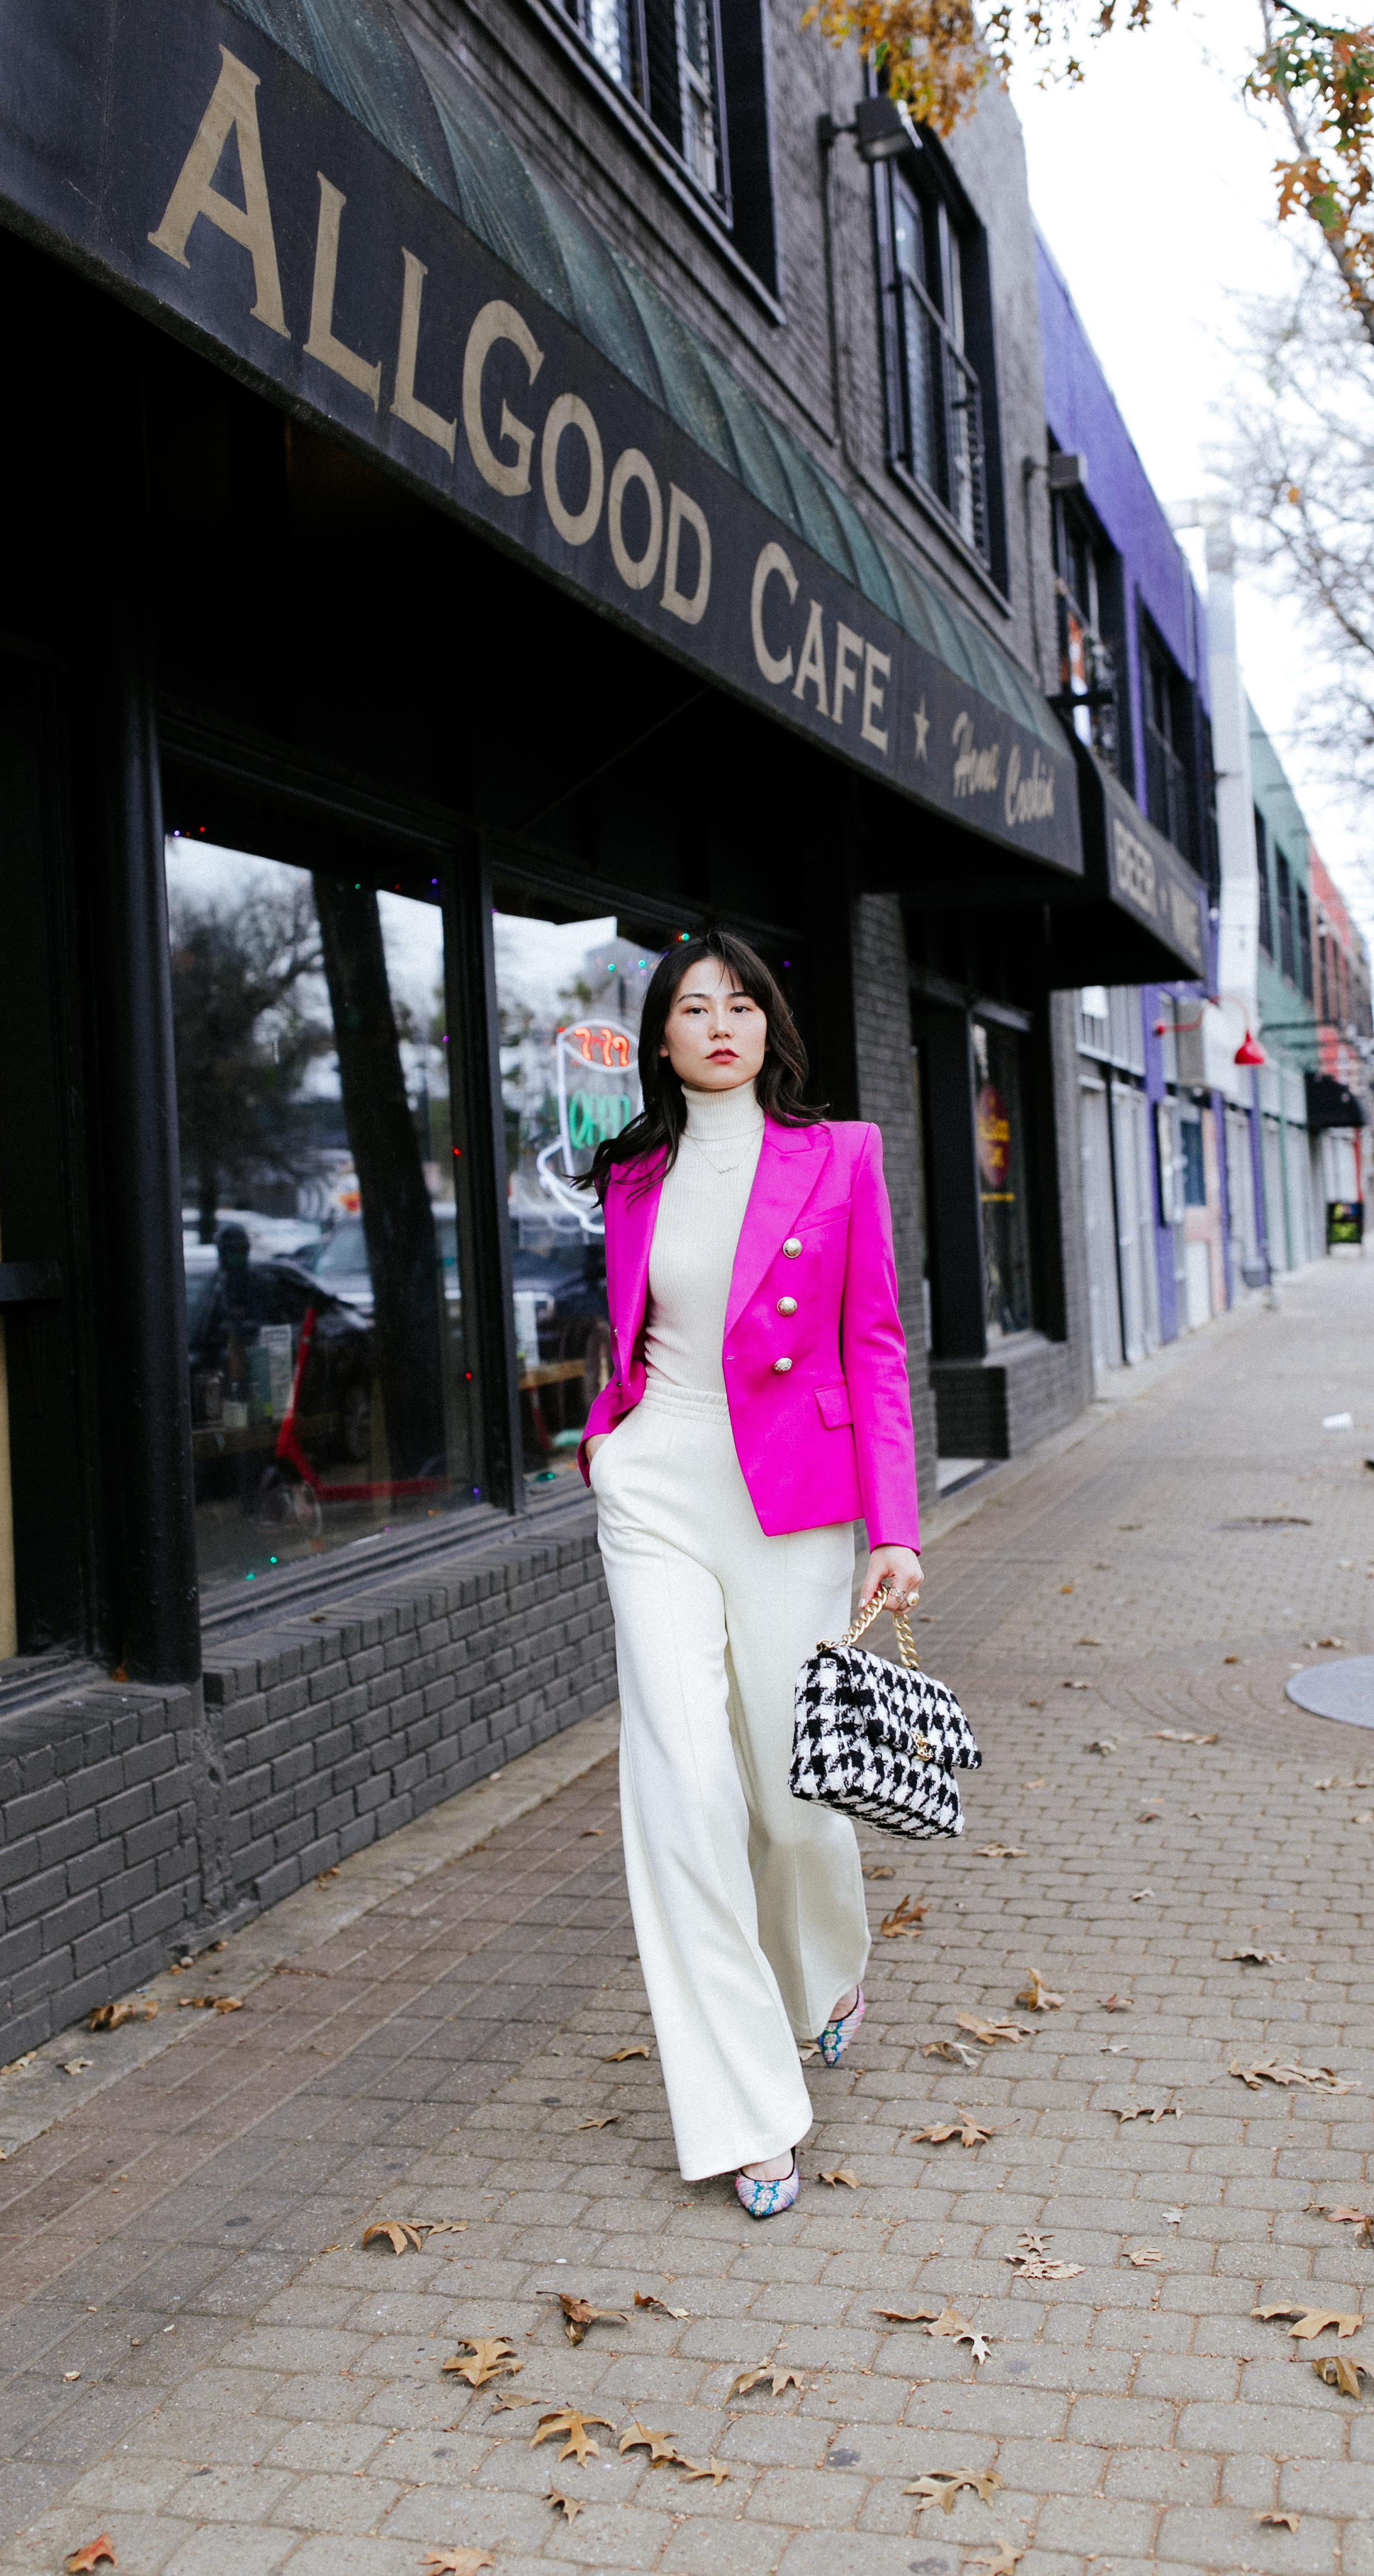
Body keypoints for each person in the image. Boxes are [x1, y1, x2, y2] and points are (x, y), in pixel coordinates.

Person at [578, 930, 922, 2216]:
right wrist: (609, 1449)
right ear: (659, 1041)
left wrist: (896, 1527)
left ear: (770, 1024)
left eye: (741, 1003)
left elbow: (875, 1342)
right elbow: (629, 1334)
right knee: (682, 1782)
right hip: (657, 1489)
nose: (720, 1023)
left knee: (790, 1800)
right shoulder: (630, 1174)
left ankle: (826, 1968)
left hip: (794, 1501)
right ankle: (745, 2108)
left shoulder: (842, 1156)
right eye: (691, 1008)